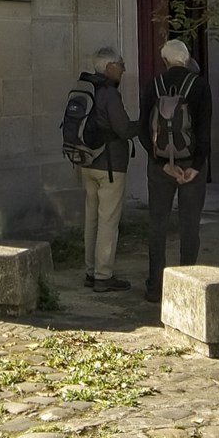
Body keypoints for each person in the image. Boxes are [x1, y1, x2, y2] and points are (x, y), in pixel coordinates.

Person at [141, 37, 212, 298]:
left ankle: (155, 287)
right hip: (191, 164)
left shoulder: (153, 85)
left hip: (160, 167)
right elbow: (204, 129)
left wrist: (161, 163)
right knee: (190, 225)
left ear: (165, 61)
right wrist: (196, 166)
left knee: (157, 224)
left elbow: (142, 128)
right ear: (186, 58)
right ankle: (188, 285)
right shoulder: (199, 86)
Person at [65, 47, 137, 291]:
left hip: (86, 162)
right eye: (120, 63)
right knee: (108, 221)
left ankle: (90, 271)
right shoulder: (108, 94)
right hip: (110, 166)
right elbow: (124, 129)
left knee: (92, 219)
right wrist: (145, 124)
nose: (124, 68)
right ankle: (103, 276)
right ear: (109, 67)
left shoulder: (84, 87)